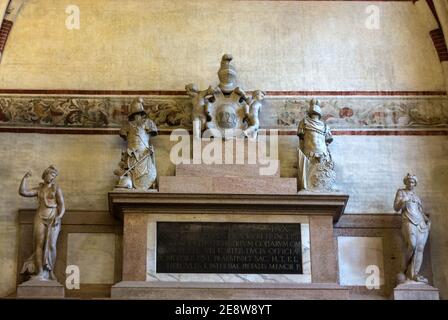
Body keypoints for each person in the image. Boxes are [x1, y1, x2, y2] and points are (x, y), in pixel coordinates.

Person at [19, 165, 65, 281]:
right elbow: (23, 192)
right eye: (51, 174)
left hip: (53, 217)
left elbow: (61, 205)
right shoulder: (39, 189)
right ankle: (40, 272)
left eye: (55, 175)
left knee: (51, 245)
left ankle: (50, 272)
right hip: (40, 216)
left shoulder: (56, 189)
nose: (53, 177)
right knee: (38, 244)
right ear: (45, 175)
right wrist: (25, 178)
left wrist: (59, 216)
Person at [394, 173, 431, 283]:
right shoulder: (401, 192)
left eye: (413, 182)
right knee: (412, 244)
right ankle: (403, 270)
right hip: (408, 220)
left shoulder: (416, 197)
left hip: (420, 222)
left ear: (415, 184)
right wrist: (403, 201)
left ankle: (415, 274)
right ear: (406, 183)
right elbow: (396, 208)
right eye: (409, 182)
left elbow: (420, 211)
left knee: (420, 248)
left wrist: (427, 220)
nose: (411, 184)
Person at [118, 97, 158, 190]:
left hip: (144, 154)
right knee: (131, 171)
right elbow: (123, 133)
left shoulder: (148, 123)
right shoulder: (127, 126)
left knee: (147, 172)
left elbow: (153, 131)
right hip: (131, 154)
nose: (137, 116)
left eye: (138, 114)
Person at [297, 99, 334, 191]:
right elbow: (301, 140)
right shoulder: (304, 122)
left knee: (322, 175)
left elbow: (327, 142)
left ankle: (322, 188)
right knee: (309, 174)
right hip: (309, 151)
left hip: (322, 152)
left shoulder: (325, 126)